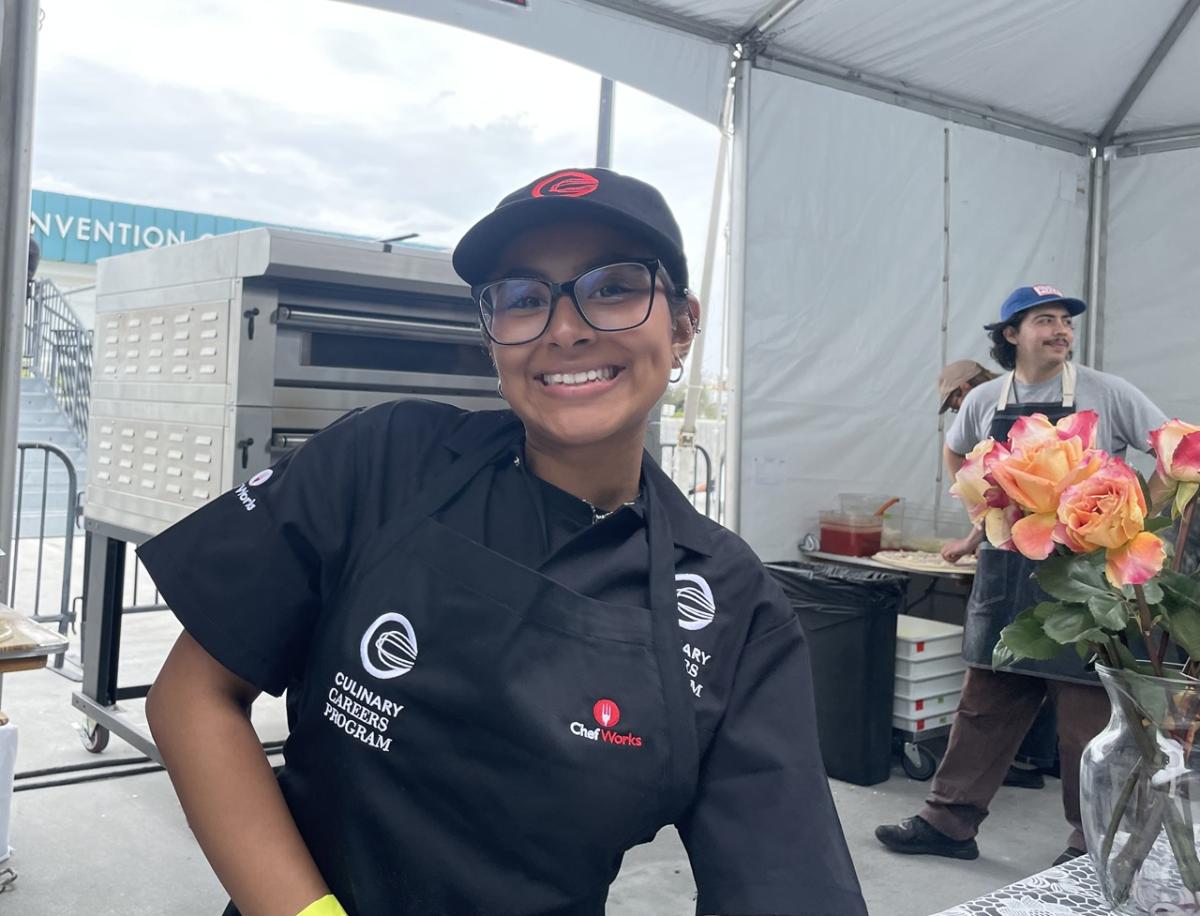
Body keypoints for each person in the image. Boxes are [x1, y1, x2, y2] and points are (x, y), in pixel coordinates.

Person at [140, 167, 867, 916]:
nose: (565, 327)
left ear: (682, 324)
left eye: (613, 287)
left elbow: (787, 883)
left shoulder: (731, 604)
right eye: (521, 299)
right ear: (492, 339)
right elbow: (192, 699)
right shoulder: (383, 463)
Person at [876, 284, 1167, 865]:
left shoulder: (1106, 393)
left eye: (1065, 321)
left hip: (1084, 576)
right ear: (1011, 335)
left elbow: (1176, 447)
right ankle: (949, 822)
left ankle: (1092, 845)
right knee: (985, 700)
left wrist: (1137, 520)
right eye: (1044, 320)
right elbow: (957, 454)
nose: (1060, 330)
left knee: (1086, 719)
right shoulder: (986, 400)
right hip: (1007, 573)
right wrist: (981, 517)